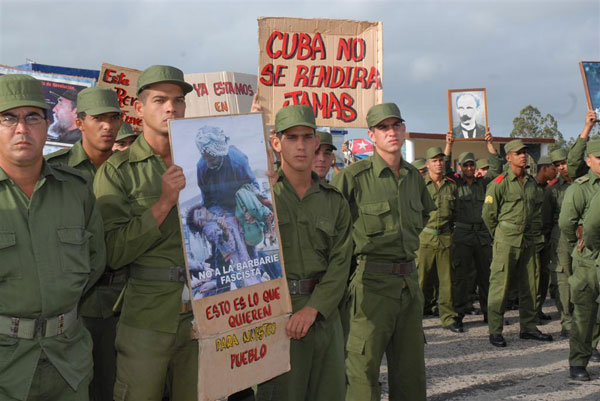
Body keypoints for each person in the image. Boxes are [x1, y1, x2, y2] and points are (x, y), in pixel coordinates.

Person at [93, 65, 199, 400]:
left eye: (178, 100)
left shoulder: (204, 161)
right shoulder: (117, 172)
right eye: (160, 100)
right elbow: (112, 252)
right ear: (138, 109)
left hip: (203, 317)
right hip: (146, 318)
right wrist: (164, 203)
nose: (171, 108)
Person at [0, 74, 105, 400]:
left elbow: (95, 262)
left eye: (33, 117)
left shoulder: (76, 190)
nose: (21, 129)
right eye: (8, 118)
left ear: (48, 125)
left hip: (68, 360)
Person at [332, 103, 435, 401]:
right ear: (371, 135)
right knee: (362, 373)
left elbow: (424, 216)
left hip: (408, 286)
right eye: (383, 128)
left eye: (395, 125)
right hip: (369, 287)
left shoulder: (414, 177)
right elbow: (334, 231)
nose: (391, 132)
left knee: (411, 374)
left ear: (403, 130)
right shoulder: (353, 177)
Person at [255, 105, 352, 401]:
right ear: (276, 142)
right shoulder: (260, 195)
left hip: (324, 313)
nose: (300, 145)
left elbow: (341, 262)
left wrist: (314, 308)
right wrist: (257, 195)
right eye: (291, 137)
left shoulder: (334, 201)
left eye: (307, 137)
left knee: (329, 392)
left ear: (315, 143)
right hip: (275, 313)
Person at [46, 87, 124, 401]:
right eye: (98, 119)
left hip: (122, 301)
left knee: (114, 388)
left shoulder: (130, 170)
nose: (107, 126)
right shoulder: (55, 170)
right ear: (80, 123)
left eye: (113, 118)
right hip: (73, 303)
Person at [483, 139, 552, 347]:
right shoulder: (499, 184)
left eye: (524, 152)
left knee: (530, 284)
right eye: (518, 153)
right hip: (506, 241)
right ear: (509, 157)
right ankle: (495, 330)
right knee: (500, 286)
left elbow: (536, 212)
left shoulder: (531, 183)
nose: (523, 155)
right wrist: (501, 235)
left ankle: (528, 327)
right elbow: (488, 215)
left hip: (528, 241)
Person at [445, 130, 501, 325]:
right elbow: (444, 168)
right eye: (465, 165)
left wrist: (489, 144)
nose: (469, 167)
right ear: (460, 167)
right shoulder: (456, 183)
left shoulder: (483, 183)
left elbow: (496, 169)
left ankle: (489, 313)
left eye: (471, 164)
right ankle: (458, 315)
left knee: (486, 275)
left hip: (482, 233)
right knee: (460, 277)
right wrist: (449, 145)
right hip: (462, 234)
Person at [558, 138, 600, 381]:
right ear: (588, 160)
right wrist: (578, 243)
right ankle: (578, 362)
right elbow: (566, 224)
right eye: (599, 158)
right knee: (584, 312)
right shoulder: (580, 188)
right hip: (587, 258)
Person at [418, 144, 462, 332]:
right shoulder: (419, 186)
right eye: (434, 161)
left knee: (447, 281)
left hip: (444, 237)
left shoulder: (451, 186)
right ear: (427, 164)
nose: (438, 164)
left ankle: (448, 317)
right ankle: (413, 318)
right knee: (419, 280)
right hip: (424, 238)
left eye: (440, 160)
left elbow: (456, 213)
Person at [542, 148, 574, 338]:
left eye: (564, 162)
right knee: (563, 279)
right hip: (560, 237)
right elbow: (546, 219)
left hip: (584, 236)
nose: (562, 167)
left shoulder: (584, 183)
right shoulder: (552, 189)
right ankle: (567, 320)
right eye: (557, 165)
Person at [535, 155, 558, 323]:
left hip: (546, 238)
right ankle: (530, 312)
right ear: (544, 168)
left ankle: (538, 308)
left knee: (544, 276)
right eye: (553, 168)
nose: (555, 172)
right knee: (532, 277)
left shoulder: (551, 188)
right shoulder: (530, 187)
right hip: (532, 239)